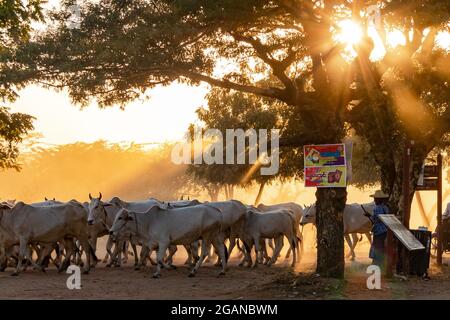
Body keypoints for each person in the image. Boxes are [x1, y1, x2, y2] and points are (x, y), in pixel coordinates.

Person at [365, 190, 390, 268]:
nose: (375, 200)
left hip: (379, 230)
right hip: (384, 230)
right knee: (380, 247)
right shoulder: (385, 207)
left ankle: (377, 264)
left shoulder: (378, 208)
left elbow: (377, 219)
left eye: (376, 199)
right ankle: (378, 263)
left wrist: (370, 216)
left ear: (380, 199)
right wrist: (370, 216)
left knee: (377, 247)